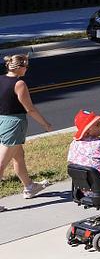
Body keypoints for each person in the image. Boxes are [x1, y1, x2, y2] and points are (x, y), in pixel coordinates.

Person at [0, 54, 52, 200]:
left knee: (19, 156)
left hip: (1, 121)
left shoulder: (1, 79)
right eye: (26, 66)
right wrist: (45, 124)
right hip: (14, 124)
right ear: (20, 67)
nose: (27, 69)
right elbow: (30, 109)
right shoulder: (19, 84)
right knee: (1, 164)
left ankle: (29, 187)